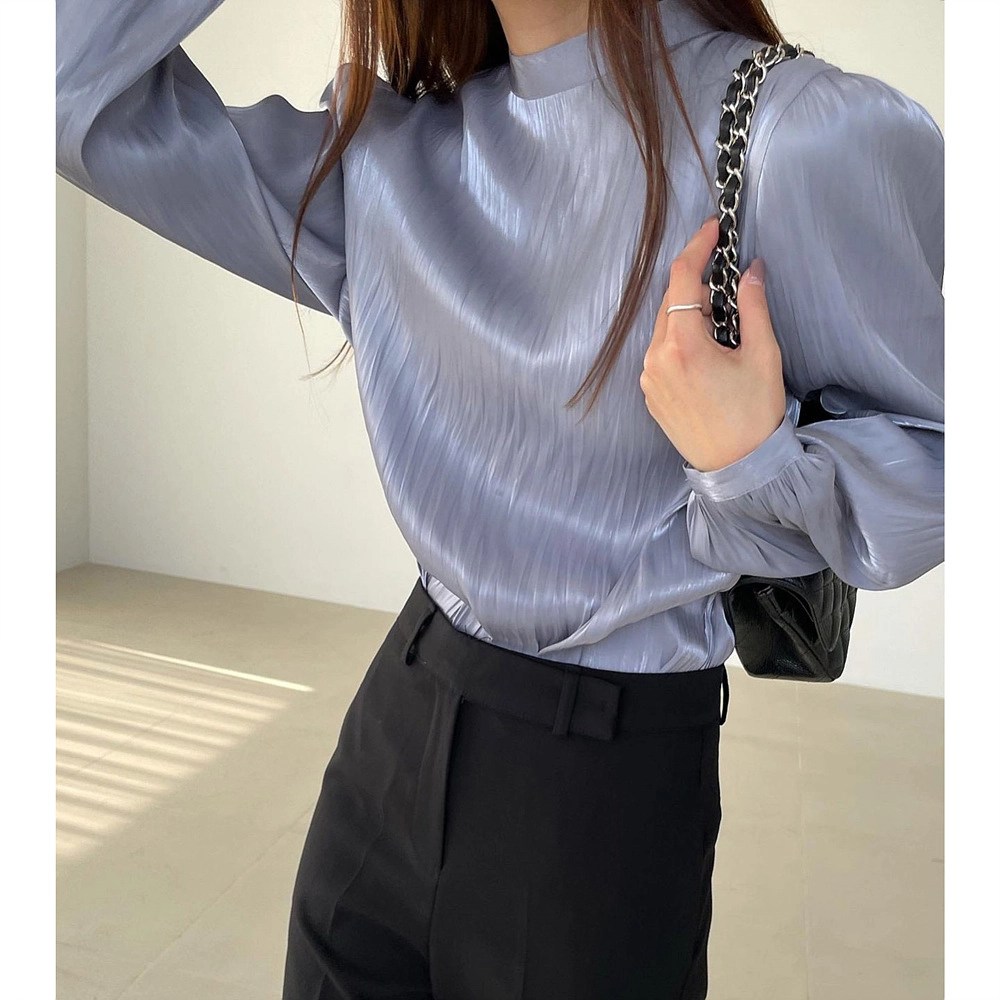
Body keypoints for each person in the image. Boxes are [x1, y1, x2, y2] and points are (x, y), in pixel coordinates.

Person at [56, 0, 944, 996]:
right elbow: (60, 87)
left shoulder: (797, 133)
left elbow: (941, 466)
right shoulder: (385, 157)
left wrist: (752, 458)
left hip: (601, 788)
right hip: (398, 717)